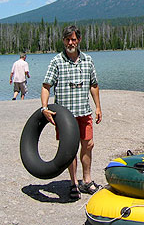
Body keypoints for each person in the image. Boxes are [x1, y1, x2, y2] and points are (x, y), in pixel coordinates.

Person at [41, 25, 102, 200]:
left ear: (79, 40)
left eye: (73, 39)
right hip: (65, 116)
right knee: (70, 149)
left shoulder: (88, 60)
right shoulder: (56, 61)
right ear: (63, 41)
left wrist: (98, 107)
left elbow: (94, 85)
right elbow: (46, 87)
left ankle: (87, 180)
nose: (70, 42)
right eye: (68, 39)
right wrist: (45, 108)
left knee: (88, 145)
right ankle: (73, 182)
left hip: (84, 112)